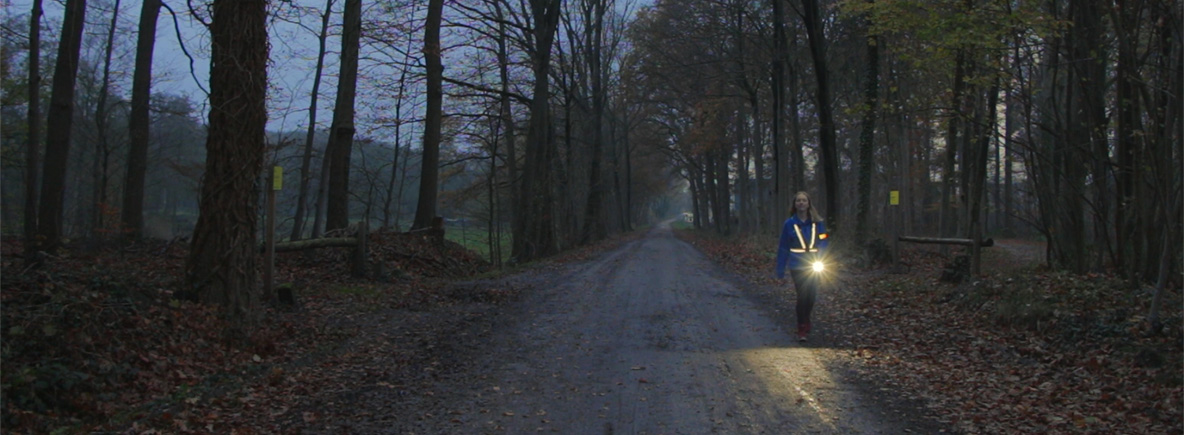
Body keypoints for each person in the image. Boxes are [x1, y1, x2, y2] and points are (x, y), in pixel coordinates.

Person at [775, 191, 829, 342]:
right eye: (798, 201)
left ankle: (806, 319)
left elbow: (824, 239)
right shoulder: (789, 224)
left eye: (804, 200)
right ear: (794, 204)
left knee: (811, 296)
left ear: (808, 203)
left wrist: (822, 252)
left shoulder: (817, 222)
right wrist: (780, 269)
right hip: (797, 264)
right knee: (802, 295)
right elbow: (783, 246)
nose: (801, 203)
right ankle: (801, 327)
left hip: (814, 263)